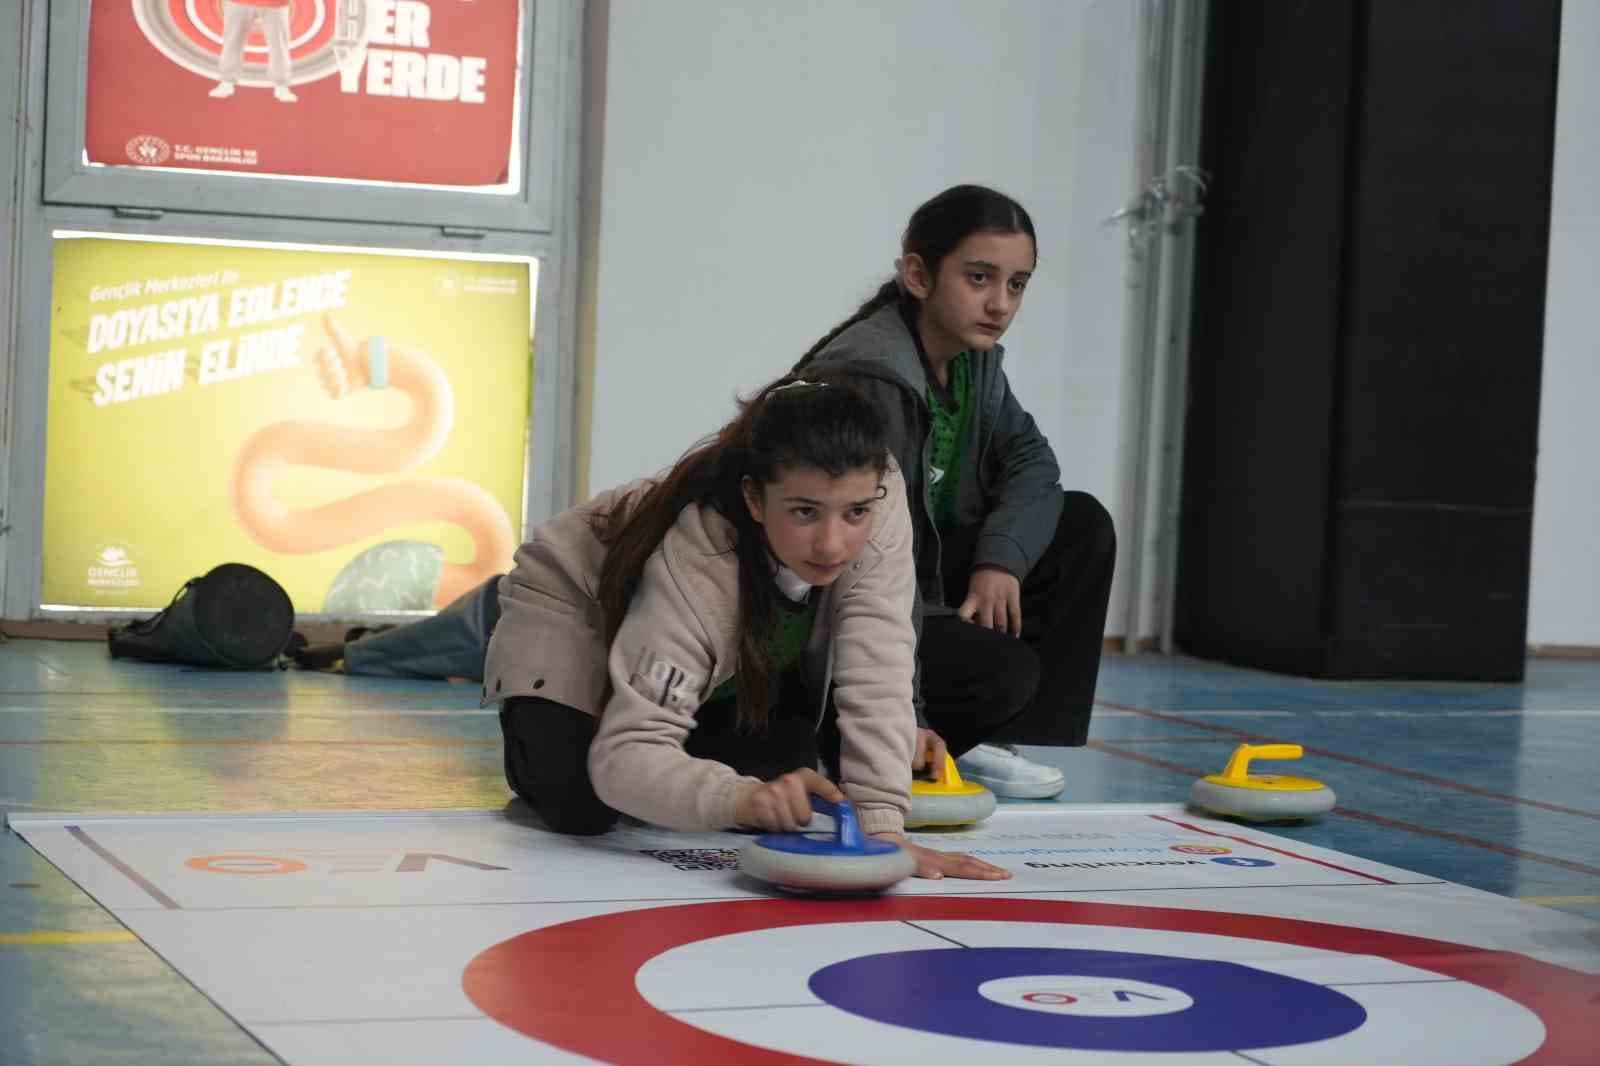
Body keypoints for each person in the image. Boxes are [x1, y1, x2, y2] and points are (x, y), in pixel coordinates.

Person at [481, 370, 1009, 881]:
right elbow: (626, 754)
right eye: (804, 512)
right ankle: (487, 635)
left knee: (789, 775)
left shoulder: (879, 496)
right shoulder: (701, 562)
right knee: (583, 801)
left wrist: (882, 831)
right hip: (574, 604)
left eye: (854, 514)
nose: (832, 544)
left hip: (711, 628)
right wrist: (739, 797)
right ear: (755, 499)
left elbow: (878, 663)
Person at [795, 184, 1117, 799]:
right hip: (838, 614)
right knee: (1004, 674)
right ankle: (873, 739)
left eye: (1017, 284)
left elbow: (1033, 462)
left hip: (924, 578)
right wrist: (902, 716)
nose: (1000, 304)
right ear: (918, 274)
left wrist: (1001, 561)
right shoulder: (872, 378)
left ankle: (993, 741)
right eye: (979, 278)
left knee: (1080, 525)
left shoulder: (974, 362)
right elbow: (861, 568)